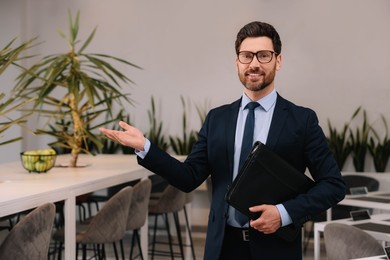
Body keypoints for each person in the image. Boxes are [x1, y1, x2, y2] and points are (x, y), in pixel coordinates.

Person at [99, 21, 346, 260]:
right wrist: (145, 147)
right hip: (222, 246)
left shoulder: (301, 120)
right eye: (246, 56)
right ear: (237, 62)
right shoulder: (217, 118)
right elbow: (189, 177)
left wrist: (283, 214)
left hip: (276, 247)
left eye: (263, 55)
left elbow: (333, 185)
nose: (254, 63)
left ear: (278, 60)